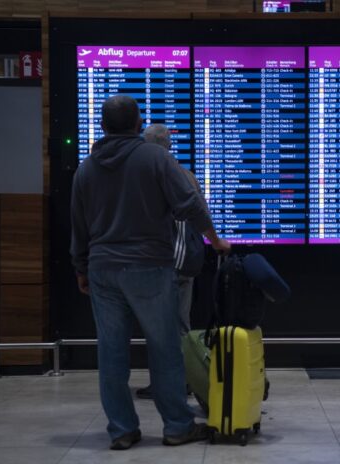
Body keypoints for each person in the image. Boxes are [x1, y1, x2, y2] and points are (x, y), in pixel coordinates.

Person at [70, 95, 230, 451]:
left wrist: (81, 267)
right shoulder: (155, 158)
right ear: (138, 124)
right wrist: (215, 241)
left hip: (102, 270)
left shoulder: (86, 168)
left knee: (111, 353)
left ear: (102, 126)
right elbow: (190, 203)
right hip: (149, 268)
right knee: (165, 348)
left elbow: (78, 225)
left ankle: (122, 430)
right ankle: (177, 426)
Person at [136, 123, 205, 400]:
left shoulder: (147, 175)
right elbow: (201, 213)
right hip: (185, 261)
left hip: (162, 261)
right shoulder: (187, 175)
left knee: (159, 328)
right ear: (169, 145)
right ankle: (185, 379)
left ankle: (166, 383)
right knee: (181, 323)